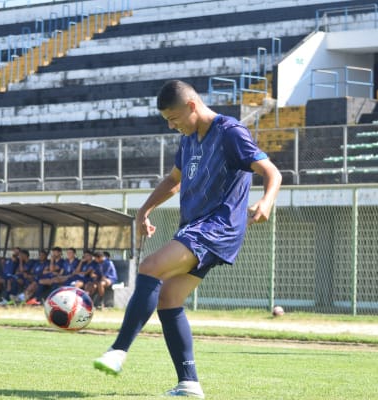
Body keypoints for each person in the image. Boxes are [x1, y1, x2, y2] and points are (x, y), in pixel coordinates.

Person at [93, 80, 281, 398]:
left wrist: (266, 202)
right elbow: (173, 180)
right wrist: (144, 210)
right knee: (168, 298)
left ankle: (118, 350)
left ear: (192, 106)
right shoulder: (189, 138)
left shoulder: (230, 132)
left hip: (217, 227)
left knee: (151, 266)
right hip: (196, 228)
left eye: (174, 118)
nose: (171, 125)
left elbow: (272, 172)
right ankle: (189, 383)